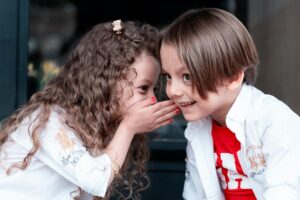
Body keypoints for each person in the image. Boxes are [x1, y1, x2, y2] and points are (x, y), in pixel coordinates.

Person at [0, 20, 179, 200]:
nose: (152, 99)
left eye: (154, 90)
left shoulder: (93, 126)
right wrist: (129, 127)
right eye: (143, 88)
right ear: (108, 82)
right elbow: (95, 180)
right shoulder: (49, 121)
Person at [159, 8, 300, 200]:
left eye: (187, 77)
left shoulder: (274, 121)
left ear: (233, 77)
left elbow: (284, 192)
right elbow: (196, 195)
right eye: (168, 76)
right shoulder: (198, 130)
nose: (172, 90)